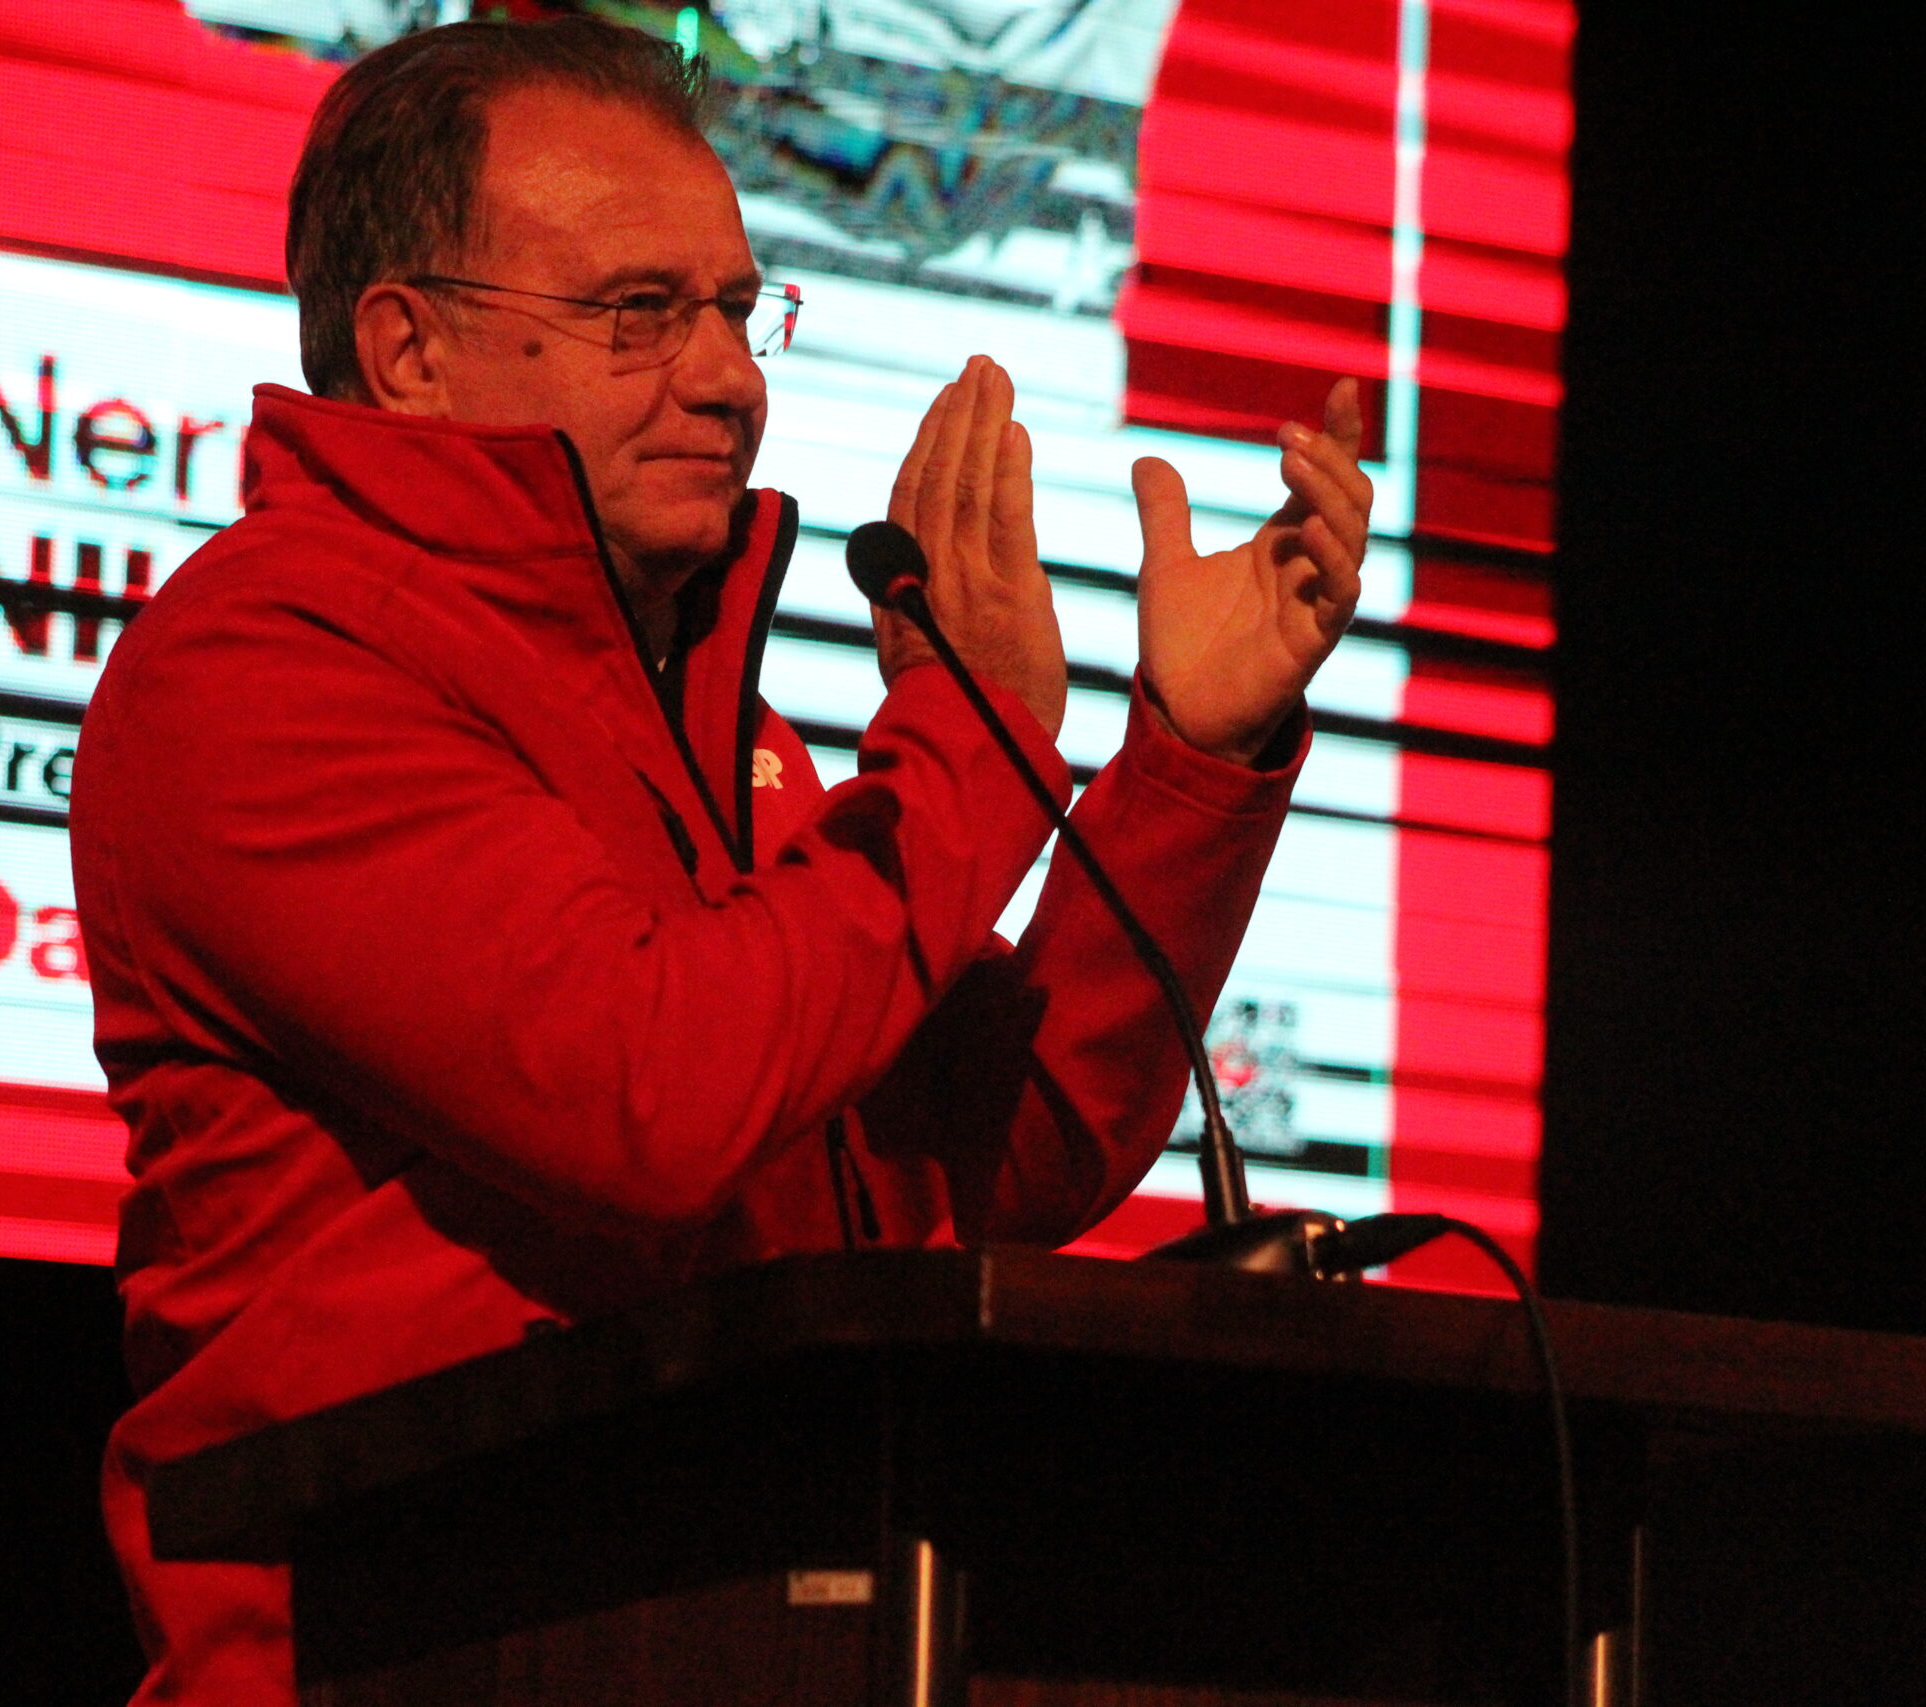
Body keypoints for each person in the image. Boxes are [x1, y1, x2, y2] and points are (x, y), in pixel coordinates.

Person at [68, 18, 1372, 1705]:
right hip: (405, 1658)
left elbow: (973, 1159)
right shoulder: (265, 669)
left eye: (740, 311)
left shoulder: (694, 708)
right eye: (639, 311)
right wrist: (971, 735)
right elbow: (652, 1094)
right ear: (407, 348)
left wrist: (1186, 763)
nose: (729, 377)